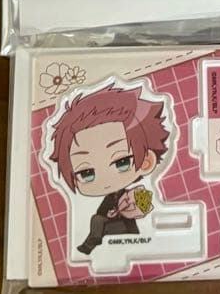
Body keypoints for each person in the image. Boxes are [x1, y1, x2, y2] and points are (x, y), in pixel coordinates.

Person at [48, 84, 170, 254]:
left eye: (122, 162)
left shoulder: (136, 194)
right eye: (86, 173)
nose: (105, 179)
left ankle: (91, 244)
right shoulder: (110, 197)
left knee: (99, 224)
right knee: (97, 220)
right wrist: (111, 213)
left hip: (127, 230)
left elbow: (142, 210)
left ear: (146, 161)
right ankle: (92, 243)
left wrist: (127, 210)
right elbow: (101, 213)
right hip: (112, 233)